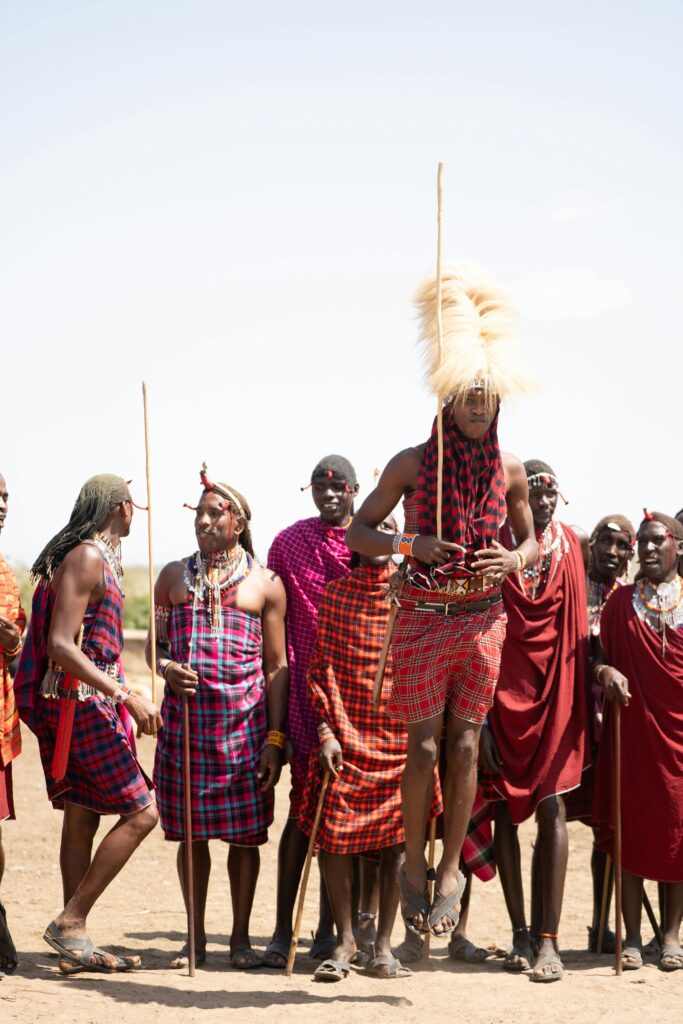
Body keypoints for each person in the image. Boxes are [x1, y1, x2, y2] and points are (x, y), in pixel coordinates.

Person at [347, 262, 537, 945]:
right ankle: (411, 859)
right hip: (424, 619)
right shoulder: (410, 464)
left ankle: (451, 870)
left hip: (483, 618)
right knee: (422, 748)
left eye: (487, 396)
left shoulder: (508, 468)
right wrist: (408, 547)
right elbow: (359, 531)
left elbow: (533, 542)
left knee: (463, 746)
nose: (478, 405)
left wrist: (513, 559)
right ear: (447, 399)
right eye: (468, 395)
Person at [14, 475, 162, 975]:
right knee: (143, 813)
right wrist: (126, 694)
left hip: (82, 702)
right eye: (132, 505)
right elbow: (60, 644)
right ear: (120, 507)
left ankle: (72, 942)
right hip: (82, 704)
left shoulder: (97, 557)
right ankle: (71, 921)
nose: (135, 513)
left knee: (81, 818)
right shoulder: (88, 557)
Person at [151, 466, 288, 970]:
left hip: (245, 731)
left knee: (244, 838)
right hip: (186, 730)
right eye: (199, 513)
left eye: (215, 513)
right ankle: (195, 937)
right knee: (191, 835)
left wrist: (274, 739)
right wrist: (167, 669)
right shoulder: (171, 577)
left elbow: (277, 666)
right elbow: (156, 648)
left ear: (239, 521)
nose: (203, 521)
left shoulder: (265, 584)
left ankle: (238, 939)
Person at [298, 515, 425, 981]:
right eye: (371, 527)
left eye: (388, 527)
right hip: (346, 736)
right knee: (334, 834)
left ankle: (385, 945)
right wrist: (328, 732)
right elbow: (320, 669)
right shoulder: (336, 596)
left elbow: (429, 666)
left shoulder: (414, 595)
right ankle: (347, 940)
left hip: (399, 736)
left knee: (397, 840)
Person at [478, 461, 590, 982]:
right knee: (504, 816)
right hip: (501, 700)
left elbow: (579, 636)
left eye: (551, 490)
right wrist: (477, 721)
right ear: (515, 497)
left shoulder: (572, 547)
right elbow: (477, 630)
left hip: (556, 702)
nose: (542, 499)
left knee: (552, 810)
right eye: (532, 490)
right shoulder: (496, 548)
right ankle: (520, 930)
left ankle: (549, 940)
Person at [264, 455, 358, 967]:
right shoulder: (288, 543)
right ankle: (282, 932)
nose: (328, 493)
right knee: (303, 816)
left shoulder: (369, 543)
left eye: (337, 485)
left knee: (342, 823)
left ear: (355, 490)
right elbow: (269, 610)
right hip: (302, 694)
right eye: (319, 485)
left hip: (356, 697)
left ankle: (328, 931)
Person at [592, 510, 683, 973]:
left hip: (679, 739)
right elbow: (597, 660)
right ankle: (629, 937)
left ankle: (669, 937)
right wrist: (605, 671)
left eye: (656, 541)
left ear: (678, 548)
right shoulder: (619, 603)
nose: (646, 549)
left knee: (677, 833)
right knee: (629, 834)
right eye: (641, 543)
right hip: (632, 734)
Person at [564, 514, 635, 953]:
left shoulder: (630, 600)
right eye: (604, 542)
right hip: (571, 723)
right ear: (591, 548)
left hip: (615, 726)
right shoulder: (571, 591)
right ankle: (538, 930)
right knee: (555, 819)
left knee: (605, 827)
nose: (611, 551)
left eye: (620, 545)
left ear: (629, 555)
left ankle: (598, 926)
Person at [0, 474, 26, 977]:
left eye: (4, 497)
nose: (1, 504)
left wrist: (12, 645)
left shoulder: (5, 574)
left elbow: (17, 656)